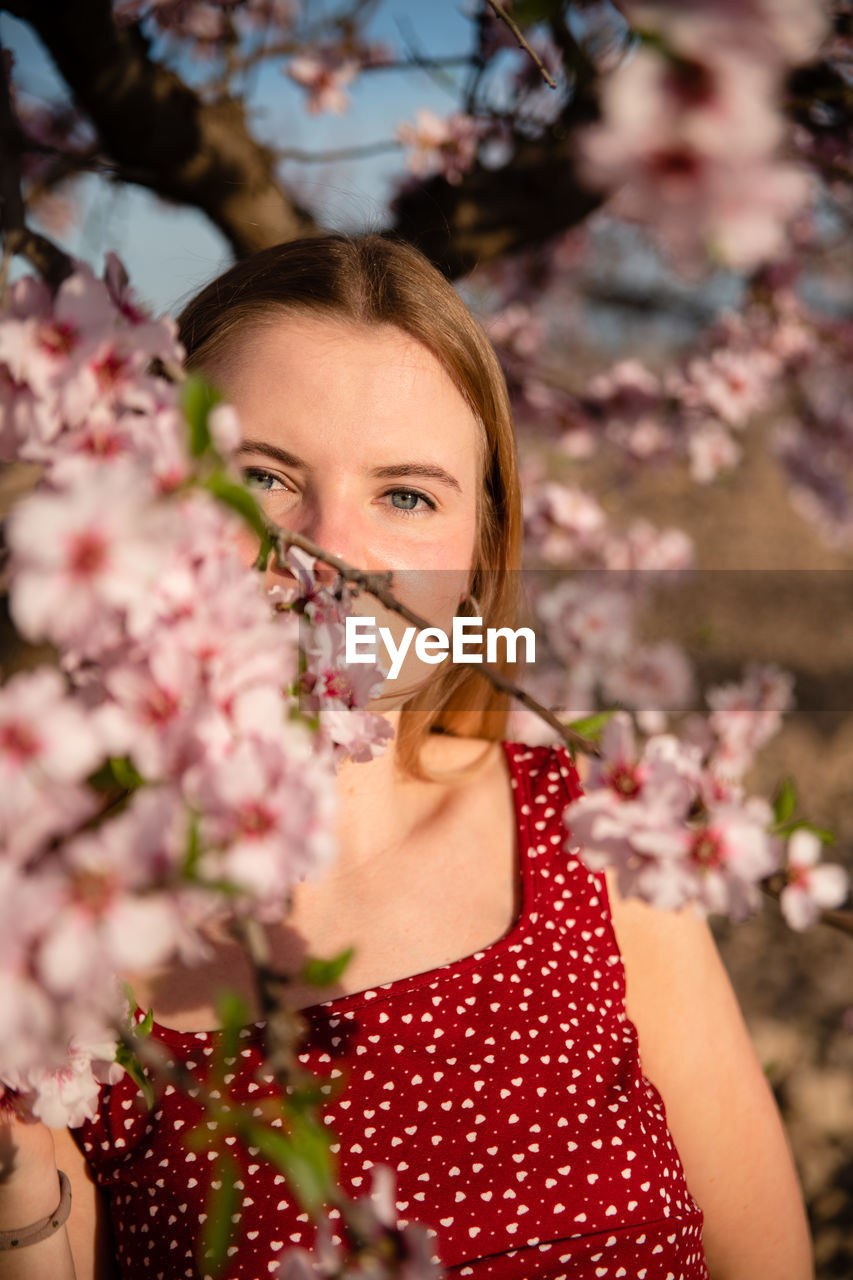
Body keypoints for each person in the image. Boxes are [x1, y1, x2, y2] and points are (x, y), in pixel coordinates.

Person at [0, 235, 813, 1280]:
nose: (327, 549)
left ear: (481, 551)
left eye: (408, 496)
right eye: (260, 475)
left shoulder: (600, 840)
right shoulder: (72, 920)